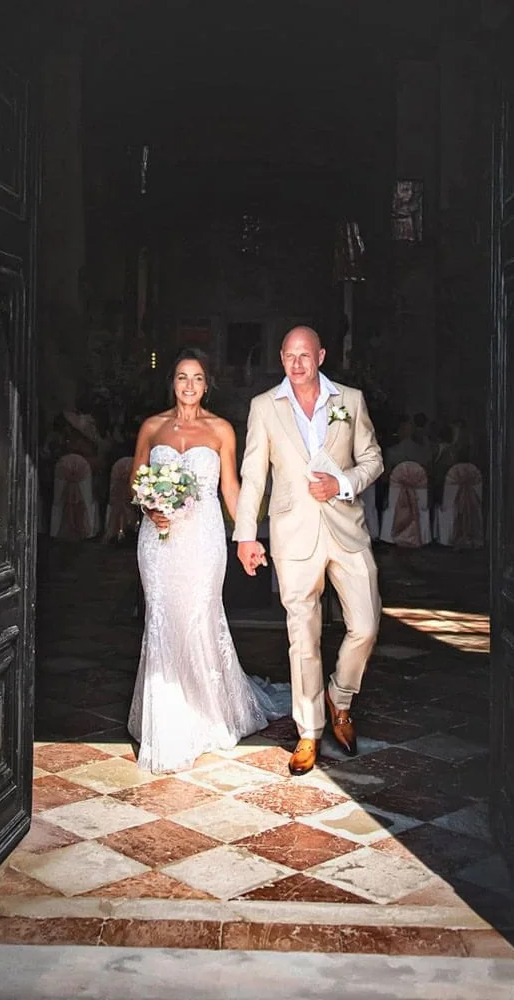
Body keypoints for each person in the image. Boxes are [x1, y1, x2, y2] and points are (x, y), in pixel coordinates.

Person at [127, 347, 288, 774]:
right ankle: (165, 721)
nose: (189, 385)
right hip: (158, 540)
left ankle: (206, 713)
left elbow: (230, 489)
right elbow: (136, 477)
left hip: (202, 540)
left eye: (197, 378)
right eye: (182, 377)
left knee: (199, 615)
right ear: (172, 382)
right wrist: (148, 505)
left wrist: (247, 537)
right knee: (161, 618)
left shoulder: (220, 431)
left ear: (206, 384)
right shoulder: (152, 426)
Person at [234, 326, 384, 777]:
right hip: (293, 536)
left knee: (366, 623)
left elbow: (373, 459)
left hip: (346, 531)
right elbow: (254, 475)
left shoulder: (350, 401)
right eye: (289, 356)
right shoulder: (264, 407)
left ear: (320, 355)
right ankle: (308, 730)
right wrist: (245, 535)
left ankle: (341, 699)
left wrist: (341, 484)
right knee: (303, 637)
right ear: (281, 358)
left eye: (305, 354)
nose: (297, 363)